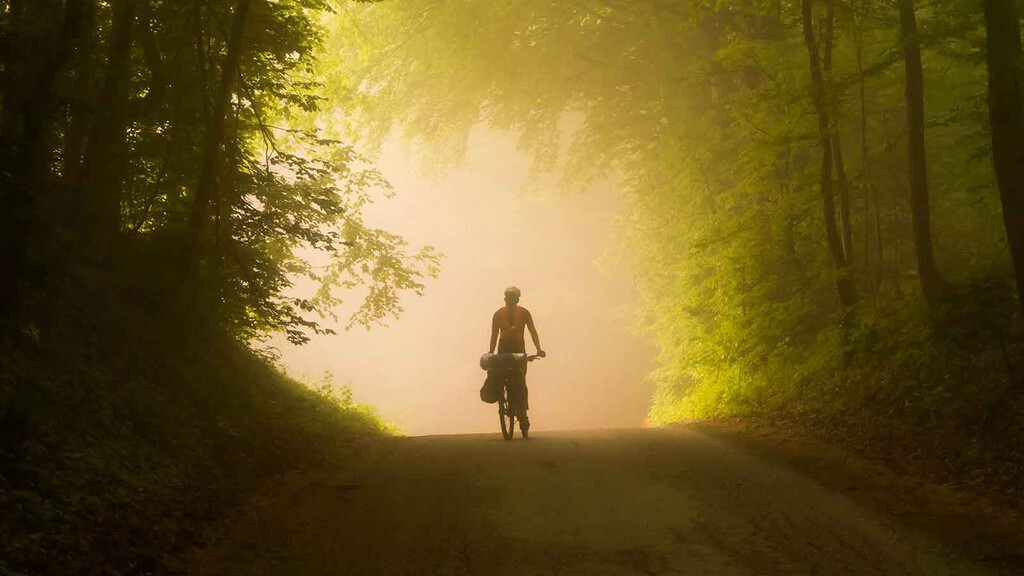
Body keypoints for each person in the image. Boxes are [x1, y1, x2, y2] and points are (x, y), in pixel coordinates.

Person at [488, 286, 546, 433]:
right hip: (518, 351)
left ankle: (502, 398)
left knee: (500, 376)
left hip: (502, 351)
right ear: (518, 299)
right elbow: (532, 331)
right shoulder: (524, 312)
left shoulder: (497, 314)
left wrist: (490, 352)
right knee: (520, 381)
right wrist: (539, 349)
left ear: (505, 299)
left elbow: (494, 335)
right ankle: (523, 416)